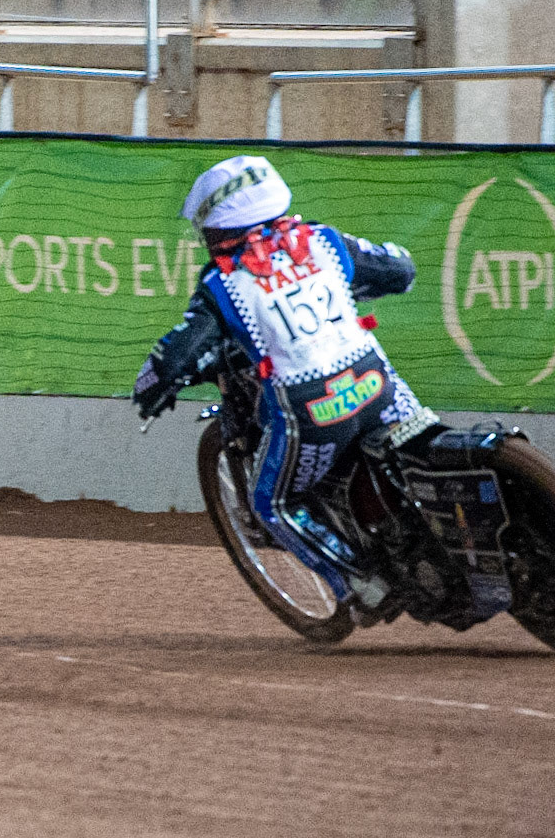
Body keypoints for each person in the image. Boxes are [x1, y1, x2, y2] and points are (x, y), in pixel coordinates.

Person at [132, 154, 434, 603]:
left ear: (220, 228)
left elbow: (176, 358)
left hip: (315, 415)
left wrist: (147, 390)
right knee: (426, 450)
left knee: (271, 505)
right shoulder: (325, 242)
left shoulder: (224, 283)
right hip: (379, 388)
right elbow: (400, 270)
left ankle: (363, 584)